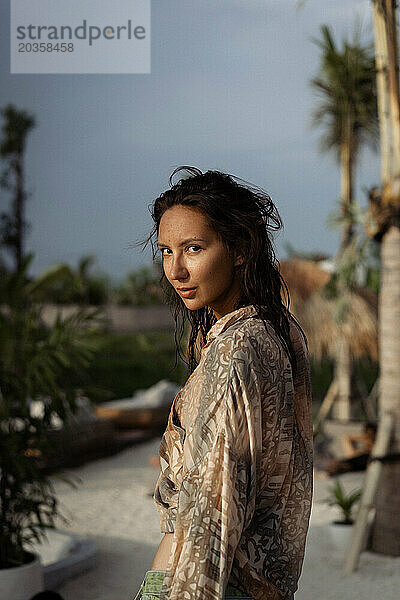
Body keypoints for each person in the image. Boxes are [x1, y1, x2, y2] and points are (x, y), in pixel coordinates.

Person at [132, 166, 313, 600]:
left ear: (239, 249)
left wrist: (161, 594)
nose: (175, 270)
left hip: (215, 583)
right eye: (166, 251)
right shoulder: (276, 330)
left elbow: (209, 515)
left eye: (193, 249)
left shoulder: (238, 352)